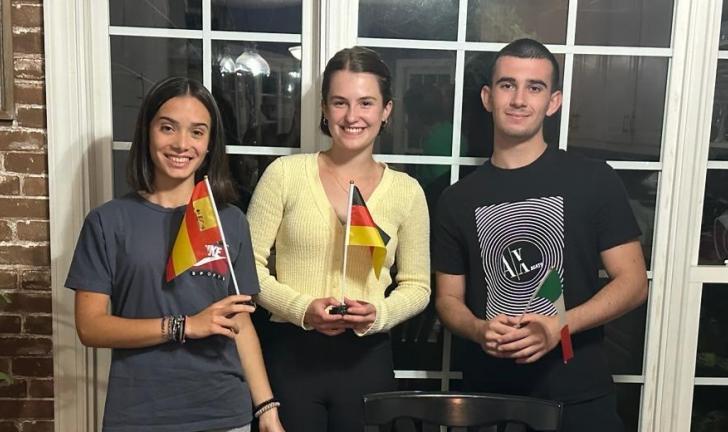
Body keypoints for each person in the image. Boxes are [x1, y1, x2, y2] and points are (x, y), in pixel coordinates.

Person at [433, 38, 648, 432]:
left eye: (534, 87)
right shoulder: (456, 199)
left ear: (553, 102)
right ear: (487, 97)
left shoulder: (593, 179)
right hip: (490, 402)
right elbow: (448, 299)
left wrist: (560, 325)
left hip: (580, 399)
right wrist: (478, 329)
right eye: (506, 85)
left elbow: (633, 283)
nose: (518, 99)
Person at [65, 76, 284, 432]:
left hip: (225, 415)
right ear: (147, 131)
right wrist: (184, 326)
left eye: (197, 132)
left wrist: (267, 410)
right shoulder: (108, 221)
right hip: (139, 415)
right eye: (168, 128)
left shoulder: (229, 221)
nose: (182, 144)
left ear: (210, 143)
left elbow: (239, 322)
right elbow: (91, 327)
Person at [246, 46, 431, 431]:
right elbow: (248, 269)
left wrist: (379, 314)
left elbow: (418, 286)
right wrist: (301, 308)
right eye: (340, 102)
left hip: (368, 361)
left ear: (386, 110)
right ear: (325, 110)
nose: (352, 116)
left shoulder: (407, 191)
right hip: (290, 358)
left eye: (366, 103)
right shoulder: (284, 174)